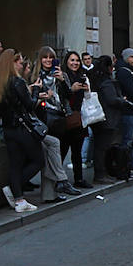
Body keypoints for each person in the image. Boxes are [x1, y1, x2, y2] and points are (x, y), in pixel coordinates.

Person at [0, 48, 41, 213]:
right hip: (21, 128)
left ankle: (19, 199)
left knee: (16, 163)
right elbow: (30, 105)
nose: (22, 65)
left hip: (8, 128)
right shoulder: (17, 82)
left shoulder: (1, 83)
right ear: (12, 63)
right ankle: (14, 189)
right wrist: (36, 91)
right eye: (19, 62)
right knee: (38, 160)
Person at [28, 46, 76, 202]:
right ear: (40, 59)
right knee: (48, 154)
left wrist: (62, 81)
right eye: (45, 57)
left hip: (59, 117)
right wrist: (40, 95)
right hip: (41, 118)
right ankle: (55, 188)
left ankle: (51, 193)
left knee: (56, 154)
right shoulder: (34, 76)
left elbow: (69, 96)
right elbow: (29, 100)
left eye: (51, 57)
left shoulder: (61, 75)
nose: (48, 61)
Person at [88, 55, 129, 184]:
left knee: (100, 147)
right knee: (102, 148)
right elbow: (111, 99)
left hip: (98, 117)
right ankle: (100, 173)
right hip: (107, 118)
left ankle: (101, 172)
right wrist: (122, 101)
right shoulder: (106, 82)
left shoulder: (95, 79)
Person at [58, 50, 93, 187]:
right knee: (62, 150)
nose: (75, 63)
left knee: (77, 151)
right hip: (66, 117)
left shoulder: (82, 75)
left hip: (79, 117)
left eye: (77, 60)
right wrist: (71, 89)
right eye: (72, 60)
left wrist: (87, 89)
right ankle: (58, 180)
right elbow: (61, 96)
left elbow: (88, 98)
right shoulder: (63, 76)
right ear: (67, 61)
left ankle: (79, 179)